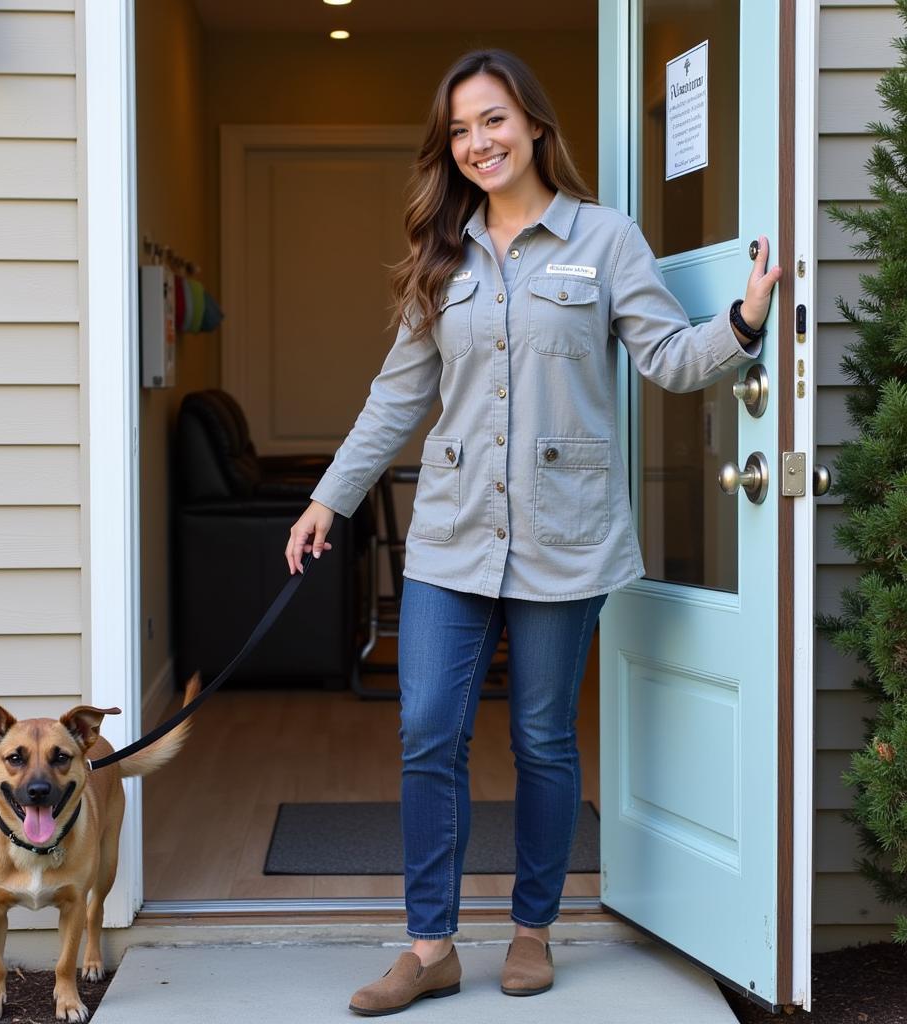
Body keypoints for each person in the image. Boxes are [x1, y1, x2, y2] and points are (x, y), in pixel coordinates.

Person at [284, 48, 780, 1017]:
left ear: (536, 125)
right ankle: (428, 945)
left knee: (544, 738)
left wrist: (743, 322)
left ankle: (530, 928)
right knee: (429, 729)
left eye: (493, 121)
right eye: (461, 130)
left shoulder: (604, 239)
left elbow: (668, 359)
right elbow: (398, 398)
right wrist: (328, 499)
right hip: (452, 536)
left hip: (567, 538)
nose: (478, 143)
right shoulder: (443, 251)